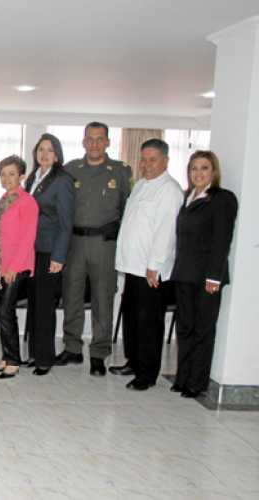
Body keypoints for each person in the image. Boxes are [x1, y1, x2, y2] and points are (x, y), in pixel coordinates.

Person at [57, 122, 133, 376]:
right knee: (72, 296)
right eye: (90, 139)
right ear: (83, 142)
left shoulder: (120, 172)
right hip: (75, 243)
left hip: (104, 244)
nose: (95, 144)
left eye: (100, 139)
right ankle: (72, 348)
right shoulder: (70, 170)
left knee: (103, 298)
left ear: (108, 142)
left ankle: (99, 353)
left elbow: (128, 210)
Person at [114, 139, 184, 391]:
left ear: (166, 160)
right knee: (132, 318)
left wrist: (154, 264)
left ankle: (147, 374)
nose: (146, 164)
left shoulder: (170, 190)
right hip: (133, 266)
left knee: (148, 323)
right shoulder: (141, 185)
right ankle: (133, 362)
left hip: (151, 270)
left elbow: (166, 232)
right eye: (143, 159)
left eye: (152, 160)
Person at [170, 151, 238, 398]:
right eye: (194, 168)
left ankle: (197, 382)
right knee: (185, 328)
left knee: (203, 330)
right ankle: (183, 377)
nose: (198, 173)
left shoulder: (222, 199)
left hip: (206, 278)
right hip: (184, 274)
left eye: (204, 168)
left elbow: (222, 240)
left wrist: (214, 277)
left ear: (214, 171)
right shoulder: (188, 197)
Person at [24, 134, 75, 376]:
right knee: (34, 303)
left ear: (57, 155)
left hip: (49, 251)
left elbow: (66, 223)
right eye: (41, 149)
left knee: (45, 306)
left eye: (50, 150)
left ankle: (45, 358)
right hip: (32, 250)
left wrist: (59, 257)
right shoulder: (33, 177)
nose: (44, 154)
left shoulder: (62, 180)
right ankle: (34, 353)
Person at [0, 156, 39, 379]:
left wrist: (13, 268)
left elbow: (28, 238)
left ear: (21, 176)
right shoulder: (4, 199)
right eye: (3, 174)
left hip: (16, 267)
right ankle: (6, 357)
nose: (7, 178)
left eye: (12, 174)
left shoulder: (27, 201)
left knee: (7, 313)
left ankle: (14, 361)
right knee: (2, 313)